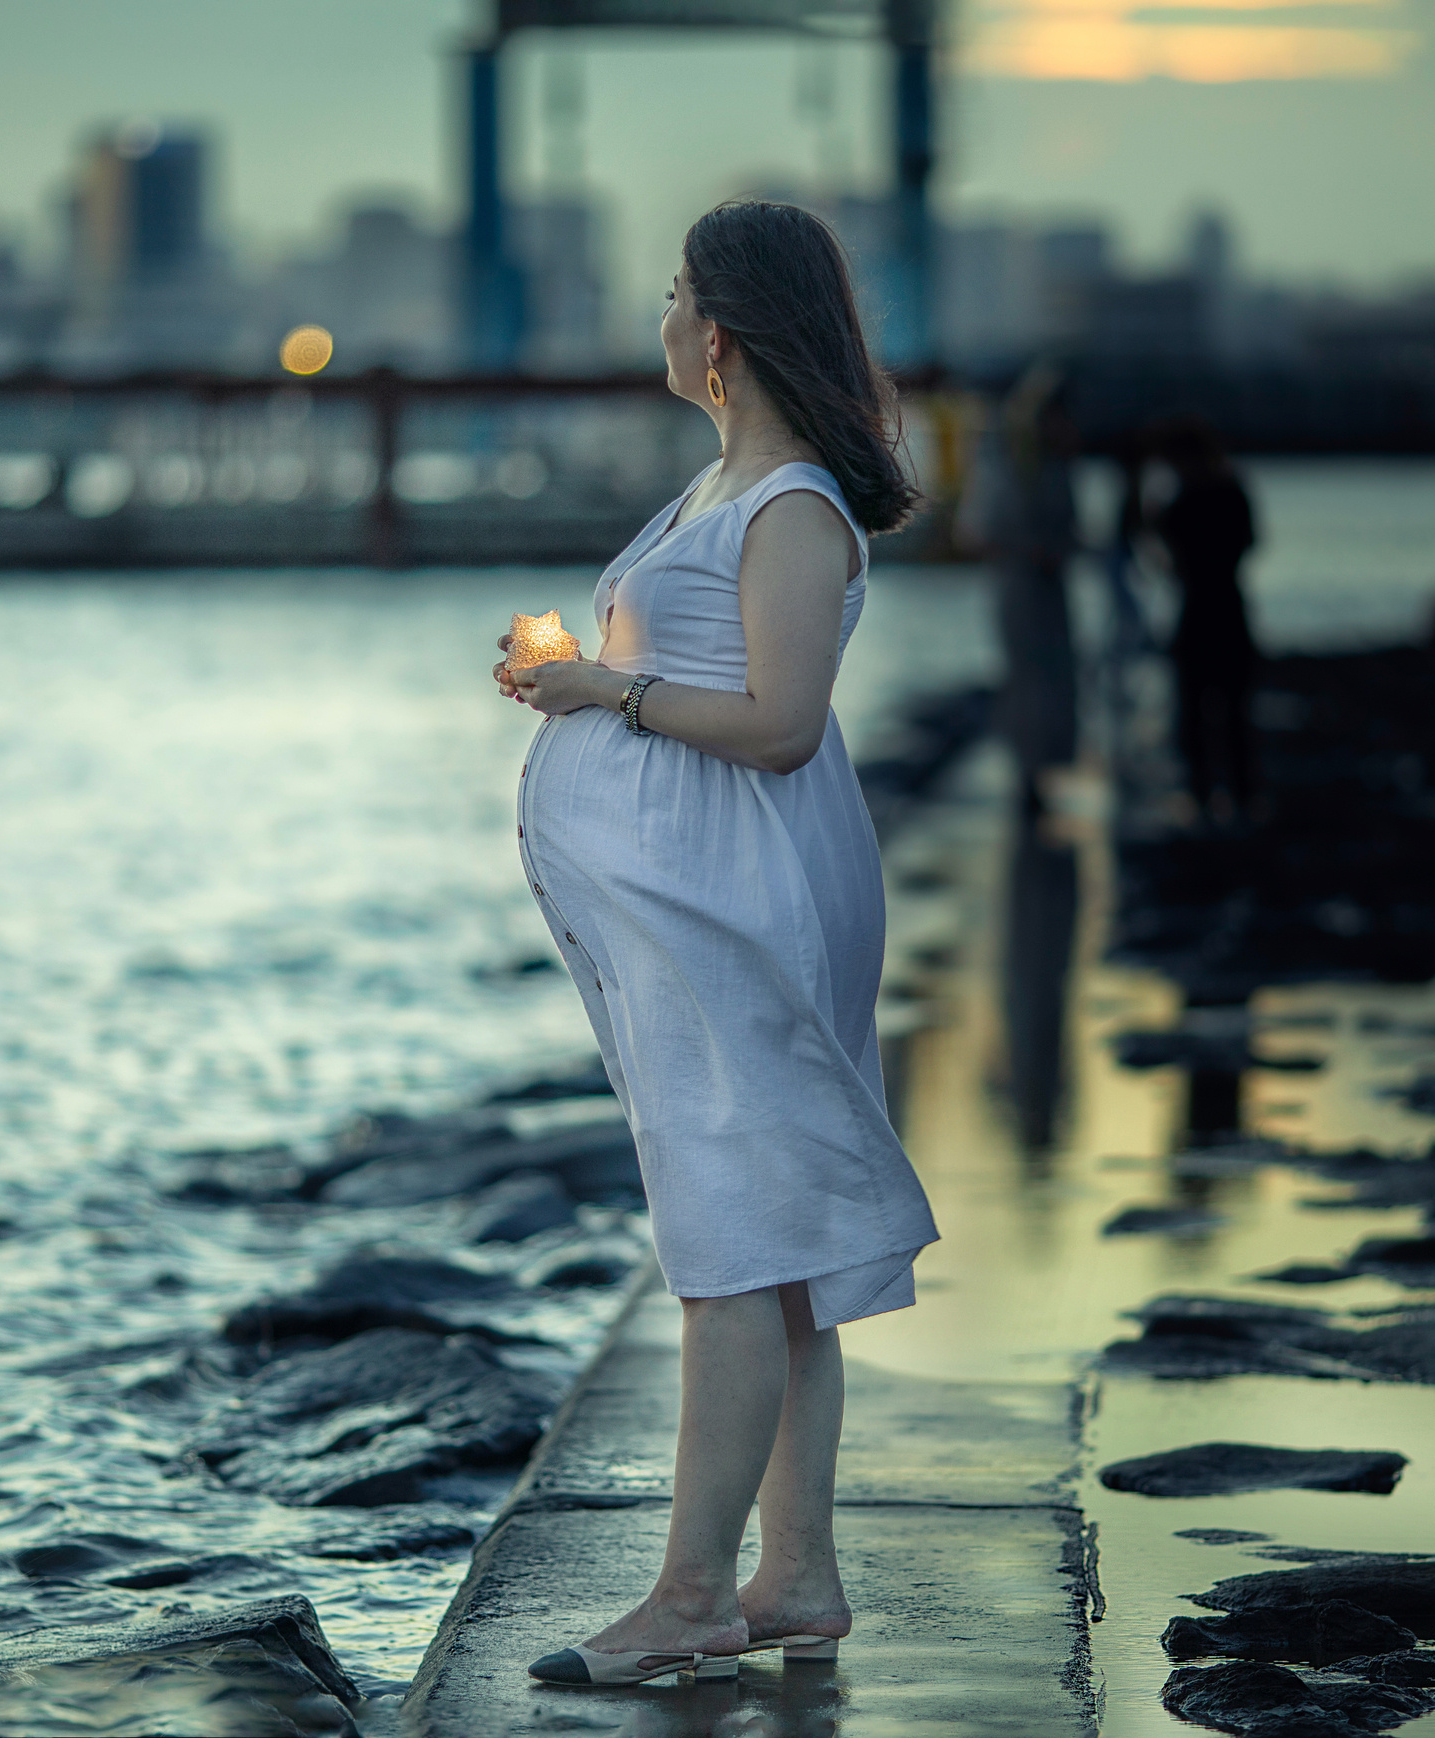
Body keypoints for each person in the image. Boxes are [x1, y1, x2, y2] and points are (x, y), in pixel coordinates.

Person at [490, 200, 939, 1688]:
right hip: (705, 903)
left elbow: (778, 721)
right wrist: (582, 677)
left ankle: (691, 1592)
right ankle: (793, 1570)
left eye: (675, 294)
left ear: (723, 334)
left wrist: (599, 698)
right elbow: (695, 674)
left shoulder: (791, 504)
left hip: (743, 903)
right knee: (777, 1241)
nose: (661, 317)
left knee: (733, 1240)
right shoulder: (720, 485)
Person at [972, 365, 1084, 811]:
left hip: (1047, 586)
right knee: (1027, 680)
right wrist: (1034, 550)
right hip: (1020, 586)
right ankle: (1028, 773)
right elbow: (982, 531)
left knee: (1054, 676)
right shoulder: (1010, 456)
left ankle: (1042, 770)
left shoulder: (1053, 460)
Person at [1149, 415, 1260, 825]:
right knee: (1233, 712)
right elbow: (1250, 543)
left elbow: (1170, 563)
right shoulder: (1233, 491)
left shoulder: (1183, 504)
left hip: (1197, 612)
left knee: (1195, 712)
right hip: (1230, 608)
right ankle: (1244, 795)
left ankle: (1200, 796)